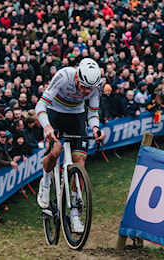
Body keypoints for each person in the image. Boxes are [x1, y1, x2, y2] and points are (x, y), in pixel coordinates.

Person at [35, 58, 105, 233]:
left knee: (80, 161)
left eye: (90, 89)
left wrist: (96, 128)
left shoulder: (97, 86)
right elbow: (41, 104)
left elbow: (93, 111)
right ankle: (45, 182)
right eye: (83, 87)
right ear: (77, 78)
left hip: (76, 117)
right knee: (56, 149)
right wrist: (48, 127)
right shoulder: (64, 75)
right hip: (55, 114)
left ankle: (75, 213)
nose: (85, 92)